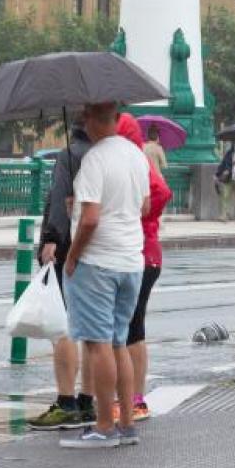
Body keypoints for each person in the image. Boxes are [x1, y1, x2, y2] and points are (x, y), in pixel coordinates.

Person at [59, 102, 151, 449]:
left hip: (98, 262)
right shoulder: (134, 154)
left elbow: (92, 218)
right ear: (115, 119)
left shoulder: (94, 160)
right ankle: (126, 423)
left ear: (89, 121)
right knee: (119, 344)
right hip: (131, 261)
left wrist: (73, 255)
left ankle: (103, 425)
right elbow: (143, 206)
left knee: (98, 347)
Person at [28, 120, 97, 431]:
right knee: (94, 331)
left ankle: (66, 401)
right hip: (104, 250)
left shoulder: (69, 155)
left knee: (63, 325)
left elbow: (58, 199)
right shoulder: (108, 155)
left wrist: (51, 238)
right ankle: (87, 401)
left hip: (71, 246)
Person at [115, 114, 173, 422]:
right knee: (131, 329)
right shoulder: (133, 160)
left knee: (131, 330)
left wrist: (144, 215)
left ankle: (135, 399)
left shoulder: (134, 160)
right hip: (144, 254)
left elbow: (161, 193)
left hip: (142, 253)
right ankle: (131, 396)